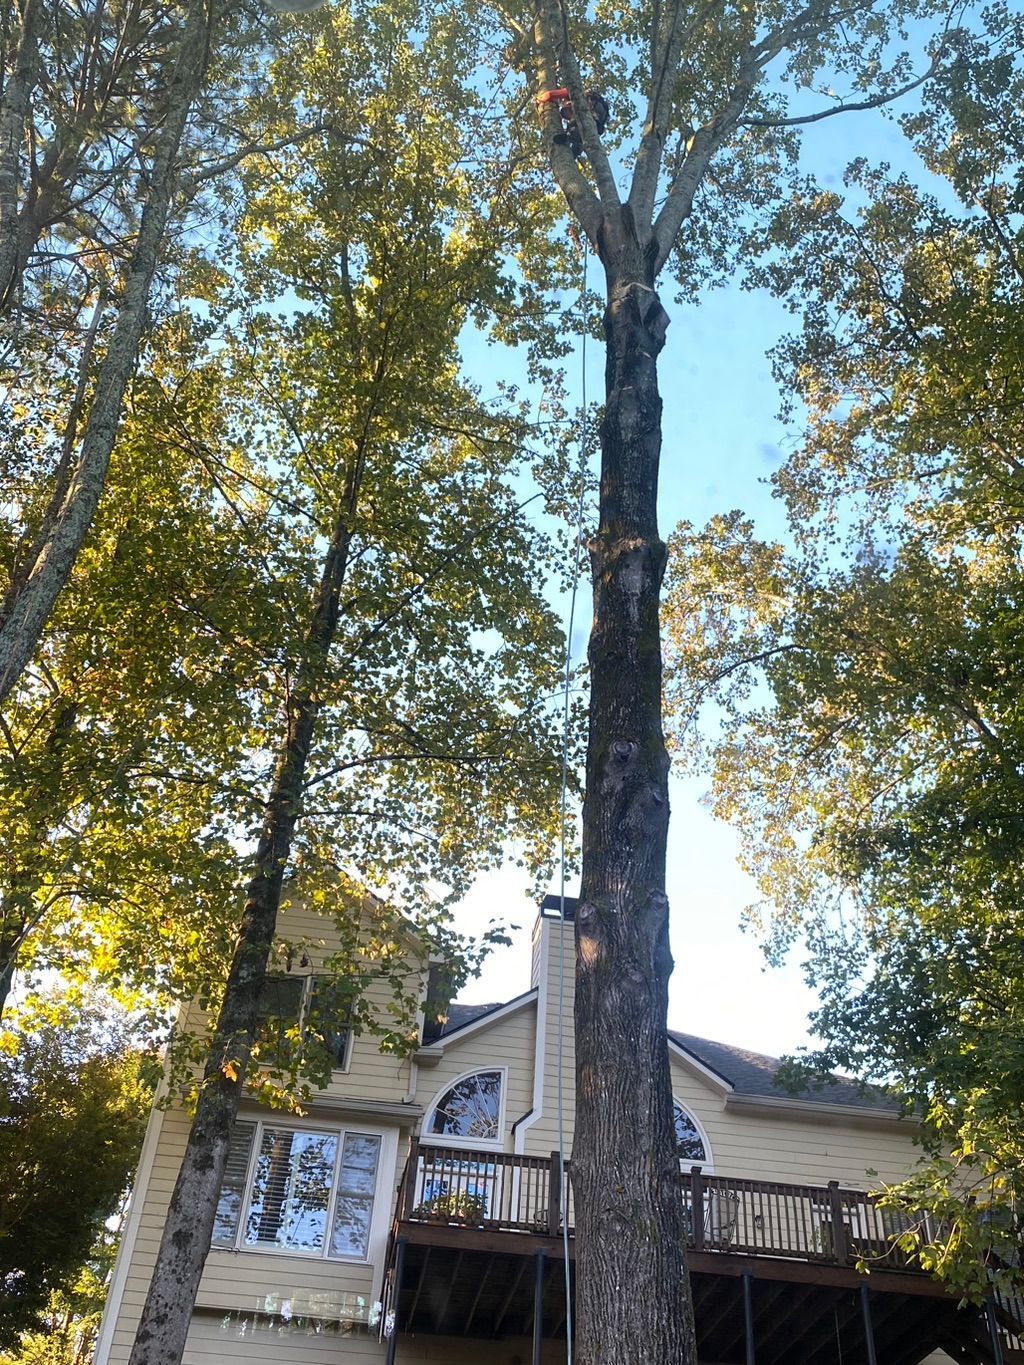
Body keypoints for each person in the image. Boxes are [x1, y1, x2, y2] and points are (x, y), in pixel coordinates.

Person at [537, 87, 609, 157]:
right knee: (581, 131)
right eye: (567, 116)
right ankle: (576, 146)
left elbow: (556, 93)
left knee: (575, 123)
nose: (569, 116)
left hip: (596, 107)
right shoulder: (577, 118)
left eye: (569, 111)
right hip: (598, 119)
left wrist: (543, 97)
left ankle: (570, 139)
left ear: (569, 105)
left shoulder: (575, 95)